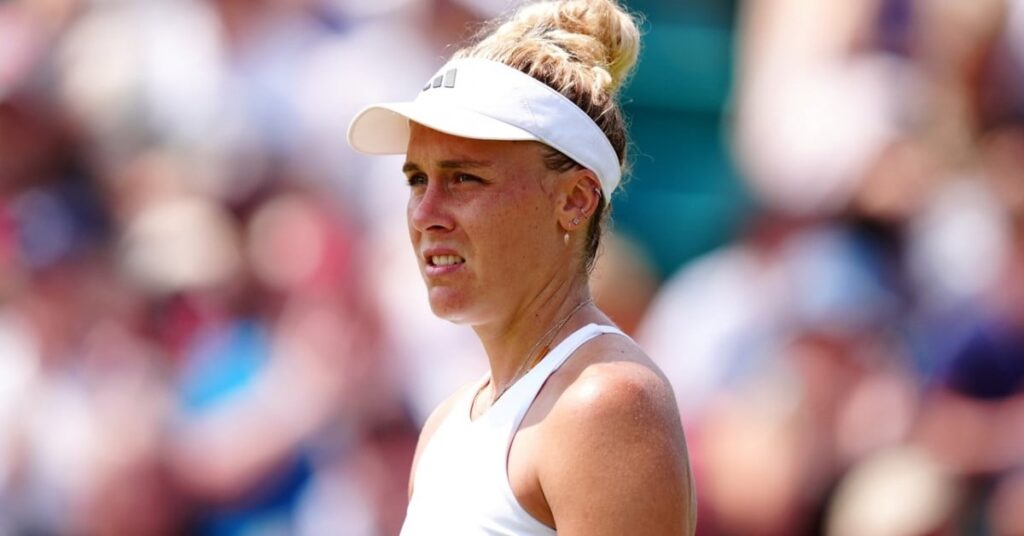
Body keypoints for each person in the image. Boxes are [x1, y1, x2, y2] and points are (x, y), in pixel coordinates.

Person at [346, 0, 696, 533]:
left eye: (464, 178)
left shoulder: (605, 403)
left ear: (574, 200)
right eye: (417, 180)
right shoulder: (444, 425)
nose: (425, 213)